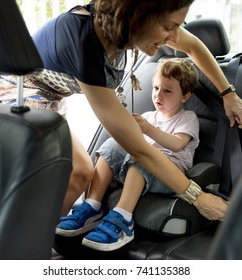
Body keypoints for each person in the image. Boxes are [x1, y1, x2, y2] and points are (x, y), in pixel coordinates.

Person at [0, 0, 242, 222]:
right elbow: (138, 149)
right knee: (79, 171)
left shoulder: (124, 28)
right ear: (139, 14)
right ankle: (29, 251)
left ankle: (40, 240)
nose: (174, 37)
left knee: (66, 175)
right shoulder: (85, 42)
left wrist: (228, 94)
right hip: (17, 89)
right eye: (170, 26)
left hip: (52, 98)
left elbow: (192, 46)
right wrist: (199, 198)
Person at [56, 58, 201, 251]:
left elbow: (177, 144)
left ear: (184, 96)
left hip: (169, 174)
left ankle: (123, 218)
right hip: (140, 165)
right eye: (156, 88)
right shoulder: (149, 115)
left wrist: (147, 130)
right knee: (112, 145)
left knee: (143, 157)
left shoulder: (187, 118)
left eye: (167, 91)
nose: (158, 95)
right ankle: (92, 206)